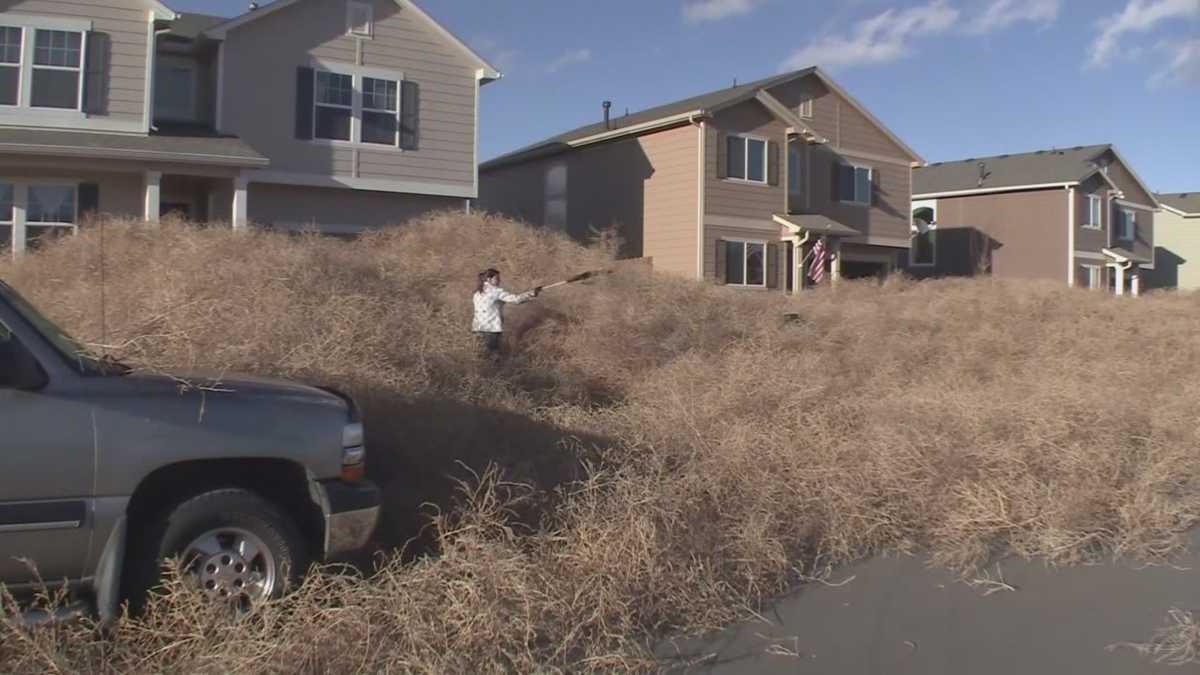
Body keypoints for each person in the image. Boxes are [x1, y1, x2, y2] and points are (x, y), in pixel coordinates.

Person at [472, 268, 540, 360]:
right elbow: (516, 299)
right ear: (488, 279)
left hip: (477, 328)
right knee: (494, 355)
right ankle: (498, 372)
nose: (499, 281)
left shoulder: (477, 293)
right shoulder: (496, 291)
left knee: (481, 355)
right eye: (497, 279)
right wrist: (532, 293)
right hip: (491, 328)